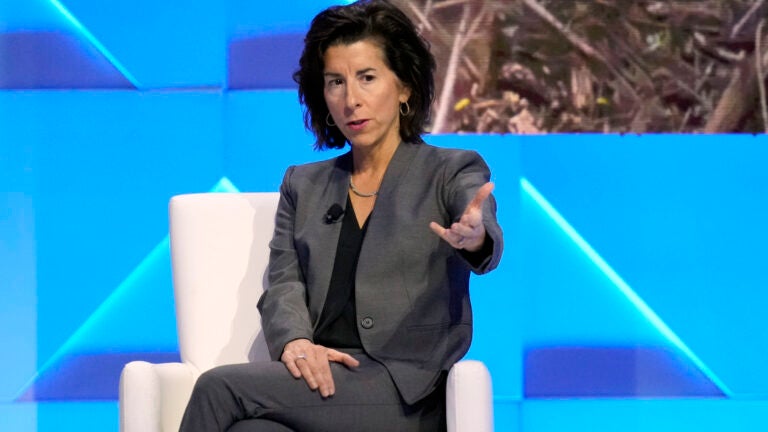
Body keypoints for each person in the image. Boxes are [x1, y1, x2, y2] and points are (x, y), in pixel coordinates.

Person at [178, 0, 502, 430]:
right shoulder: (303, 184)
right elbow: (284, 282)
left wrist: (475, 236)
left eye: (367, 78)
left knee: (218, 388)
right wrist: (295, 341)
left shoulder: (449, 169)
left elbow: (479, 221)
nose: (351, 99)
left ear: (403, 87)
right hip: (324, 377)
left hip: (404, 388)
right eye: (335, 82)